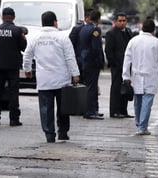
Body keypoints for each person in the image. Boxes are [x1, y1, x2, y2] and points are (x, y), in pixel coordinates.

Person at [23, 11, 80, 143]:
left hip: (44, 80)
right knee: (63, 107)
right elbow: (70, 57)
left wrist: (27, 69)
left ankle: (49, 134)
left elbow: (27, 55)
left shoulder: (35, 38)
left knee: (45, 108)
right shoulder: (62, 37)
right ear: (55, 22)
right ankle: (63, 132)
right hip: (61, 79)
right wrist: (75, 74)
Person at [122, 19, 158, 135]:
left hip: (136, 76)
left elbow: (127, 60)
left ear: (142, 28)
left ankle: (139, 124)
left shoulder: (133, 41)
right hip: (151, 77)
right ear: (153, 30)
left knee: (138, 101)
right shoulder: (157, 43)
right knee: (147, 102)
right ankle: (142, 126)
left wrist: (126, 76)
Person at [0, 7, 27, 126]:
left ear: (2, 16)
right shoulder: (17, 31)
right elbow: (23, 47)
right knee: (13, 92)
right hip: (13, 66)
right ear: (13, 17)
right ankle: (14, 119)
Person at [104, 12, 135, 118]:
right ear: (116, 22)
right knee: (116, 88)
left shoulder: (128, 32)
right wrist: (113, 64)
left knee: (125, 87)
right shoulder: (111, 33)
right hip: (117, 66)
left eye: (124, 21)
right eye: (120, 21)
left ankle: (123, 110)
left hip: (127, 65)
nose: (122, 23)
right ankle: (114, 111)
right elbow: (108, 51)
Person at [79, 10, 105, 120]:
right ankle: (90, 111)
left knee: (90, 86)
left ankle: (93, 109)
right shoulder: (95, 29)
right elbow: (96, 48)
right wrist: (100, 61)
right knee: (91, 87)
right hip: (92, 62)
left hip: (85, 60)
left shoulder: (84, 28)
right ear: (98, 19)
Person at [69, 8, 93, 82]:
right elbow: (70, 45)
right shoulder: (77, 29)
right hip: (80, 63)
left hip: (91, 63)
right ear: (86, 18)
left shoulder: (95, 29)